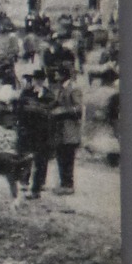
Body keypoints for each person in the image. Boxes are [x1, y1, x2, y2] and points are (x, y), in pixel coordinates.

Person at [14, 69, 56, 198]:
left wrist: (34, 107)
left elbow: (49, 110)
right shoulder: (26, 93)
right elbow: (20, 110)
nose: (38, 82)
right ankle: (24, 181)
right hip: (27, 130)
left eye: (40, 79)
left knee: (41, 160)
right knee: (25, 156)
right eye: (36, 79)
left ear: (44, 81)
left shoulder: (49, 95)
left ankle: (38, 186)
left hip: (42, 132)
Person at [51, 67, 83, 195]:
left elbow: (78, 109)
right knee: (60, 156)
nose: (55, 76)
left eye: (57, 74)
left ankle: (68, 185)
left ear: (63, 75)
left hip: (69, 129)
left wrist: (61, 111)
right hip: (60, 130)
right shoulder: (60, 89)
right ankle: (63, 184)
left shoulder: (73, 89)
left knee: (68, 158)